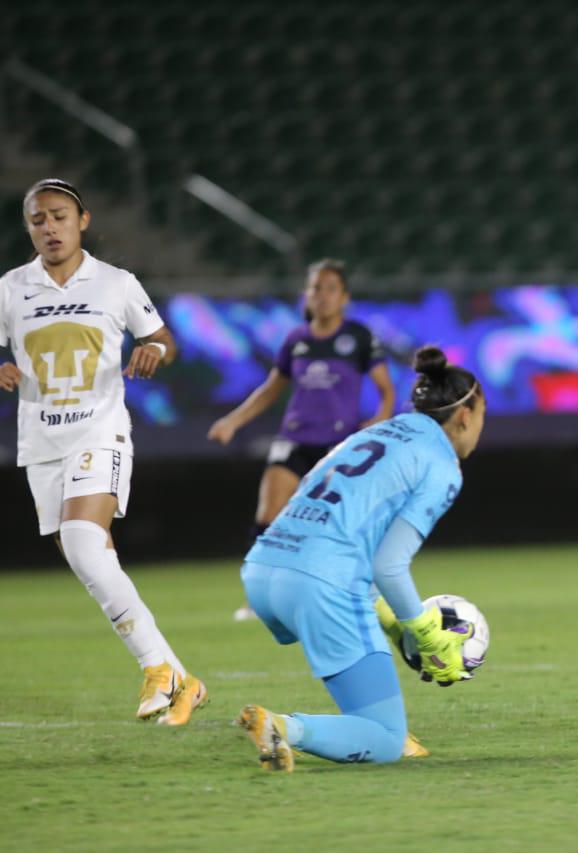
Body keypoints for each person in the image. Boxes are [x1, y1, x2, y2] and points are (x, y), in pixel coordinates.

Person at [0, 178, 206, 725]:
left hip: (99, 431)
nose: (50, 227)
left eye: (59, 216)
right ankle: (180, 678)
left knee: (83, 543)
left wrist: (153, 350)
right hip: (41, 442)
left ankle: (156, 670)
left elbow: (164, 339)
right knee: (88, 558)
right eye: (38, 219)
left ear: (82, 220)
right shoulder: (11, 288)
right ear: (28, 227)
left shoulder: (116, 283)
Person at [235, 346, 484, 771]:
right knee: (386, 740)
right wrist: (424, 631)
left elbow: (336, 523)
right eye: (482, 417)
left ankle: (368, 723)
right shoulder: (441, 463)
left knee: (376, 711)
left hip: (262, 571)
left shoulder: (373, 434)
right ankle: (283, 727)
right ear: (464, 416)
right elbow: (388, 565)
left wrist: (393, 624)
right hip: (318, 585)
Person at [207, 258, 395, 620]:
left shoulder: (358, 337)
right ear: (307, 295)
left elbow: (386, 389)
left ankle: (352, 594)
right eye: (316, 288)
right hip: (295, 439)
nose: (322, 296)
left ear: (344, 297)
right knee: (269, 518)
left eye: (330, 289)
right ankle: (258, 599)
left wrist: (377, 423)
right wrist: (232, 421)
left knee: (342, 524)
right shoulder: (296, 340)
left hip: (339, 447)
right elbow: (271, 389)